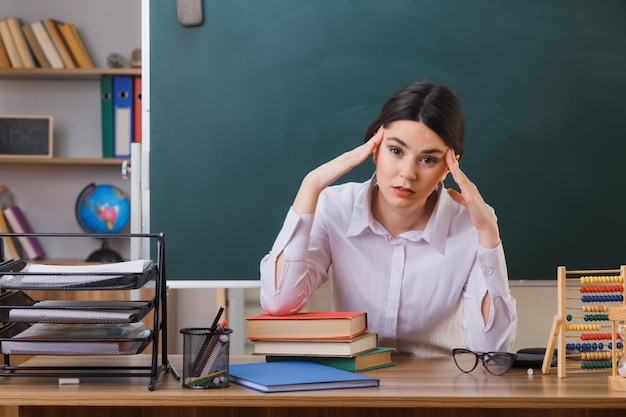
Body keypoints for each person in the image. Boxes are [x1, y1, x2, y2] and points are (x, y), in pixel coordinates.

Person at [259, 81, 517, 356]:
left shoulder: (470, 224)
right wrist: (309, 187)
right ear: (375, 147)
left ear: (448, 167)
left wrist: (489, 236)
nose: (408, 173)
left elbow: (492, 349)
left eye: (428, 159)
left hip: (437, 388)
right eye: (396, 151)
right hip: (352, 382)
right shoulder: (334, 207)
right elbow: (279, 302)